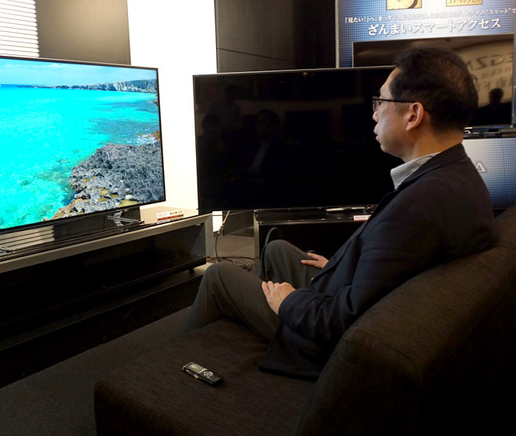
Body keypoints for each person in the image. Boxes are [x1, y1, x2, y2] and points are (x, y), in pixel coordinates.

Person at [179, 47, 497, 379]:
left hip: (323, 340)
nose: (374, 114)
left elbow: (343, 320)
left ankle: (170, 372)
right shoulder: (458, 176)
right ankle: (248, 331)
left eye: (381, 102)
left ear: (413, 115)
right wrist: (341, 266)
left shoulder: (419, 206)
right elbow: (394, 269)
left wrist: (287, 302)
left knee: (218, 275)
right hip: (348, 297)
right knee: (276, 249)